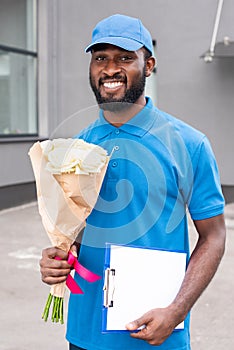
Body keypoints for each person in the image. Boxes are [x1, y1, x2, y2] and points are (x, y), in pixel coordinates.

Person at [40, 14, 226, 350]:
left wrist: (177, 310)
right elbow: (76, 234)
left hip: (157, 336)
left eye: (125, 58)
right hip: (85, 335)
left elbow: (213, 237)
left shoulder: (189, 143)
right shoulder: (76, 147)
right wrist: (59, 257)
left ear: (149, 65)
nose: (110, 69)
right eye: (101, 58)